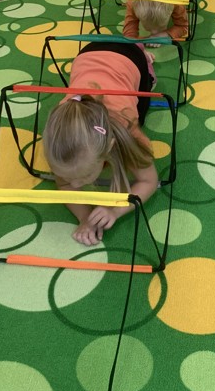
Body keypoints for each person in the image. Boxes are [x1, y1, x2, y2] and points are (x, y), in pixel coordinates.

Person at [42, 42, 158, 247]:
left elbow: (149, 181)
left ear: (110, 146)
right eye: (69, 177)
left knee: (145, 102)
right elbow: (64, 185)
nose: (76, 185)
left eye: (85, 176)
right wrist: (85, 217)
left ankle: (145, 56)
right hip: (86, 54)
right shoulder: (60, 135)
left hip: (130, 57)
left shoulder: (127, 128)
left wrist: (115, 210)